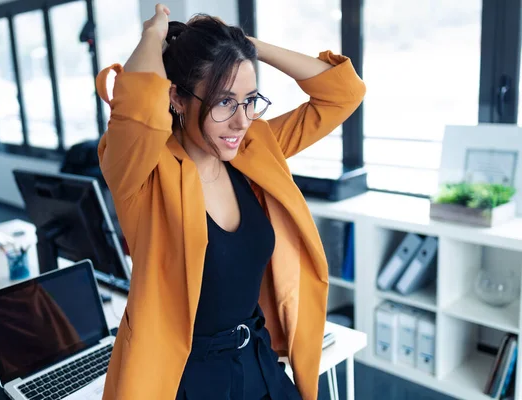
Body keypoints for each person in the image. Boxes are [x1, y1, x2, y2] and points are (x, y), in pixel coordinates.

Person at [95, 4, 365, 399]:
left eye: (250, 100)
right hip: (186, 378)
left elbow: (342, 94)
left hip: (257, 358)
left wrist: (242, 47)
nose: (242, 120)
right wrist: (153, 35)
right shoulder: (142, 175)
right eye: (224, 102)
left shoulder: (253, 148)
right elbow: (139, 107)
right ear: (177, 98)